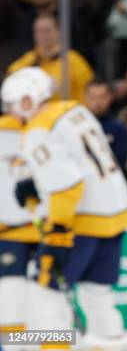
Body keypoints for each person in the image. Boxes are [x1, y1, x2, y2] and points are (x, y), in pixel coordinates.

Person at [1, 67, 127, 350]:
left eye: (12, 105)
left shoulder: (39, 128)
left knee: (46, 295)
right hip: (114, 217)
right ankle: (109, 343)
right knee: (98, 293)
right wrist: (35, 192)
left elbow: (67, 185)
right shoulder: (75, 110)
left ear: (28, 100)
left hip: (79, 223)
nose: (11, 113)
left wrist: (57, 232)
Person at [0, 106, 40, 340]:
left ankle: (52, 344)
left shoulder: (46, 131)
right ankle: (15, 345)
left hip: (45, 231)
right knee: (11, 296)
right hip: (10, 233)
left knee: (47, 301)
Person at [6, 13, 94, 102]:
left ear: (58, 32)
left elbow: (90, 93)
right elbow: (10, 79)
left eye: (47, 31)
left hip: (65, 112)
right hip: (36, 114)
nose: (42, 36)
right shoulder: (30, 58)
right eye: (38, 31)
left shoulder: (73, 60)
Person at [84, 79, 127, 173]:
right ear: (85, 97)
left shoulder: (119, 129)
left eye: (102, 97)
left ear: (110, 97)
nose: (97, 102)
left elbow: (122, 161)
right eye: (92, 97)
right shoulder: (76, 128)